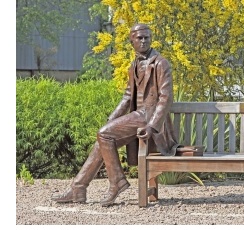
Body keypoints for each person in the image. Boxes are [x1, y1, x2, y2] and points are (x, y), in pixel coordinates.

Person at [51, 23, 179, 207]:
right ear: (131, 41)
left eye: (147, 37)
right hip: (138, 115)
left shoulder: (160, 63)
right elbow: (127, 96)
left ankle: (117, 182)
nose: (144, 41)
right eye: (140, 38)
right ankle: (78, 188)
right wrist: (113, 118)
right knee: (102, 140)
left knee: (104, 134)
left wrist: (152, 126)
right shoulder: (134, 64)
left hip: (148, 117)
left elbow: (166, 98)